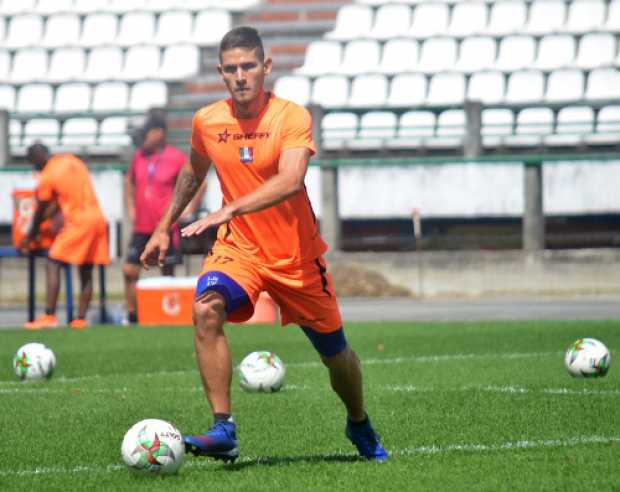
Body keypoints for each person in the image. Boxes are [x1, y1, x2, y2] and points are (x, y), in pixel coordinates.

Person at [140, 27, 388, 462]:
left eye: (249, 66)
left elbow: (291, 181)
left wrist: (229, 210)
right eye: (232, 69)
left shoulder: (291, 117)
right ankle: (224, 428)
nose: (240, 76)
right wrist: (164, 226)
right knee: (205, 308)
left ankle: (359, 422)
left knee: (337, 357)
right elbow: (193, 172)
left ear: (266, 68)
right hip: (240, 251)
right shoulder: (207, 121)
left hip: (296, 258)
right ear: (221, 73)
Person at [123, 114, 204, 324]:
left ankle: (168, 317)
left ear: (160, 133)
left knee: (166, 272)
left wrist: (190, 208)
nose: (143, 138)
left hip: (165, 227)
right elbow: (129, 182)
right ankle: (133, 316)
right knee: (129, 270)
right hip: (141, 226)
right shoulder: (139, 157)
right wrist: (131, 208)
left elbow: (198, 181)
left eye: (147, 133)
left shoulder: (176, 157)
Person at [20, 143, 110, 330]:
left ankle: (49, 316)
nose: (33, 166)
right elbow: (63, 199)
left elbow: (43, 208)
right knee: (86, 270)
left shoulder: (48, 174)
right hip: (98, 218)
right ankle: (80, 320)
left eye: (32, 162)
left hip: (78, 222)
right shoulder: (72, 160)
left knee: (53, 262)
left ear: (38, 157)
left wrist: (31, 235)